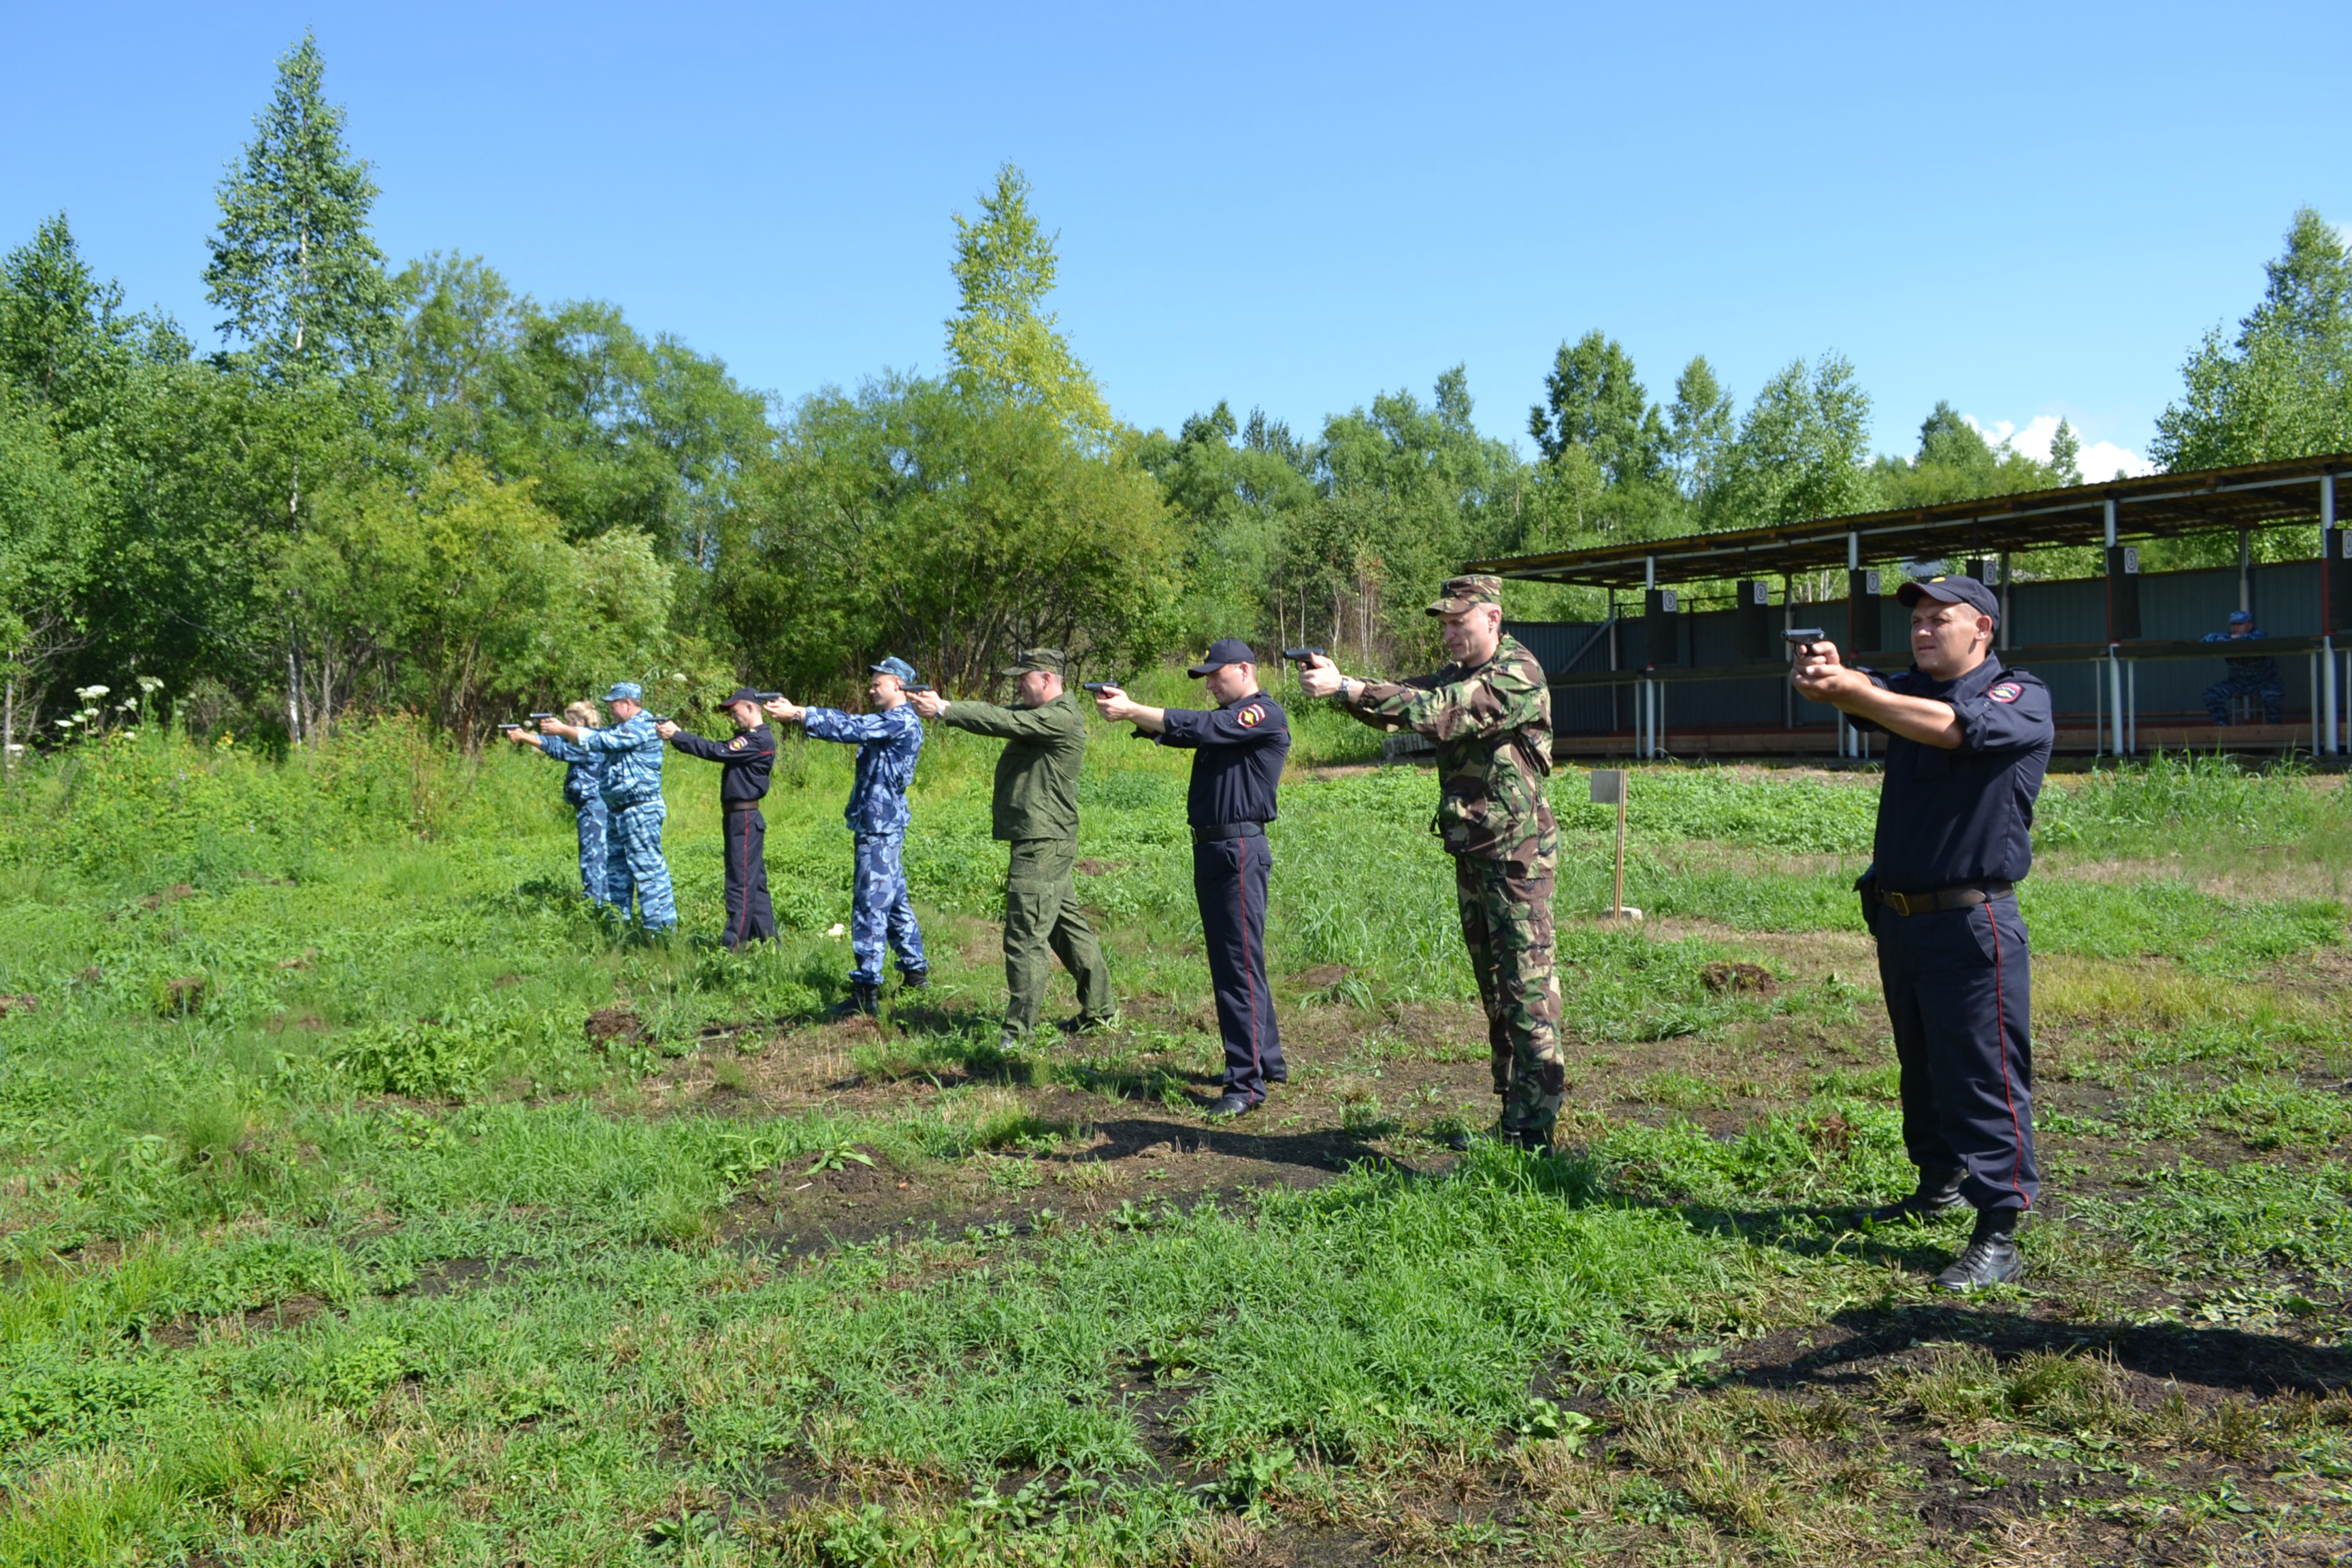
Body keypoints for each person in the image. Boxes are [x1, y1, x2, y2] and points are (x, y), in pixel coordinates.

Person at [1791, 572, 2051, 1292]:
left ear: (1984, 630)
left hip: (1972, 923)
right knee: (1924, 1065)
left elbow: (1948, 729)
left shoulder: (2018, 696)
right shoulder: (1913, 692)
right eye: (1918, 620)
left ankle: (1998, 1230)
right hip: (1903, 919)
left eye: (1943, 618)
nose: (1925, 628)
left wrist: (1856, 691)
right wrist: (1832, 674)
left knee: (1984, 1075)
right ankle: (1936, 1180)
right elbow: (1874, 691)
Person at [1296, 575, 1566, 1152]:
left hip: (1518, 858)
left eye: (1457, 623)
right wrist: (1345, 686)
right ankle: (1511, 1113)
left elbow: (1439, 712)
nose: (1447, 634)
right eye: (1443, 624)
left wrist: (1348, 686)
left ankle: (1537, 1131)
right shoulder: (1457, 674)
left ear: (1492, 618)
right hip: (1475, 850)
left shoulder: (1517, 674)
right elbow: (1400, 705)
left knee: (1527, 990)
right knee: (1495, 989)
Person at [1094, 639, 1290, 1117]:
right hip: (1220, 849)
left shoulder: (1259, 714)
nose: (1210, 685)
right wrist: (1132, 715)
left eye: (1216, 675)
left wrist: (1136, 708)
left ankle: (1244, 1086)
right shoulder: (1230, 723)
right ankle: (1267, 1062)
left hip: (1235, 850)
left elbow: (1205, 726)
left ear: (1244, 670)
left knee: (1236, 969)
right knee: (1243, 960)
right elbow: (1188, 733)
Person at [907, 649, 1115, 1049]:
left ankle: (1018, 1035)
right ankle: (1101, 1009)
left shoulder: (1059, 717)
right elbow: (1002, 713)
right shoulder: (1044, 715)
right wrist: (944, 708)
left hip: (1042, 843)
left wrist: (945, 710)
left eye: (1024, 677)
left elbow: (1003, 720)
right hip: (1043, 839)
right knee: (1062, 925)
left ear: (1047, 678)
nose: (1017, 683)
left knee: (1024, 936)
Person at [766, 658, 929, 1015]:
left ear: (898, 685)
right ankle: (916, 973)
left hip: (880, 828)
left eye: (877, 684)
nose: (871, 689)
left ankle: (866, 990)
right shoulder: (892, 722)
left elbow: (852, 727)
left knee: (870, 905)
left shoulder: (899, 721)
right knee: (894, 901)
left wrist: (800, 714)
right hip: (879, 824)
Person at [540, 682, 675, 934]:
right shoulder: (621, 727)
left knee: (648, 871)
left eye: (614, 705)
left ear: (627, 703)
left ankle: (660, 933)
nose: (610, 710)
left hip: (640, 810)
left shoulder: (643, 726)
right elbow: (585, 745)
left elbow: (602, 741)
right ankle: (618, 929)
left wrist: (563, 728)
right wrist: (552, 735)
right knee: (616, 872)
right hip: (618, 810)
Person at [655, 688, 777, 949]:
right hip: (740, 817)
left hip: (744, 818)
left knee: (740, 883)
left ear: (751, 708)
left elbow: (716, 751)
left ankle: (732, 947)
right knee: (754, 885)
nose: (733, 717)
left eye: (735, 712)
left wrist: (678, 735)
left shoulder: (757, 740)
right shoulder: (751, 739)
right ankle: (768, 943)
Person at [505, 699, 607, 904]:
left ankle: (597, 904)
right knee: (592, 854)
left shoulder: (592, 741)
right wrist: (527, 736)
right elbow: (558, 744)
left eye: (569, 722)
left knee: (593, 857)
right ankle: (599, 901)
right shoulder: (585, 739)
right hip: (590, 805)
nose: (566, 726)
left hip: (595, 806)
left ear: (579, 721)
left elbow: (561, 751)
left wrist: (526, 737)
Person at [2202, 609, 2284, 727]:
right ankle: (2223, 729)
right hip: (2237, 683)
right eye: (2233, 624)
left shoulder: (2259, 635)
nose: (2236, 627)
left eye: (2240, 624)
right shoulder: (2227, 637)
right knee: (2211, 695)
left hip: (2264, 682)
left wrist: (2231, 640)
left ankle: (2275, 730)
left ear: (2249, 625)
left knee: (2273, 694)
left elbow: (2254, 641)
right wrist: (2230, 639)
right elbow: (2206, 640)